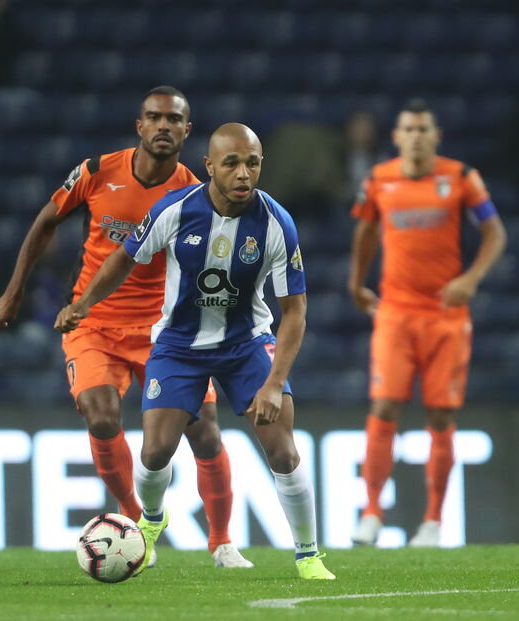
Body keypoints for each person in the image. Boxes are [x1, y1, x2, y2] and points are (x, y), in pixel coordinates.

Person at [54, 123, 335, 580]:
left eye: (253, 163)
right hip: (179, 346)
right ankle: (151, 518)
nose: (244, 174)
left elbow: (295, 314)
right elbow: (125, 257)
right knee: (155, 453)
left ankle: (309, 556)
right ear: (210, 167)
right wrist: (83, 304)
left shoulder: (277, 223)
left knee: (282, 451)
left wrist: (274, 383)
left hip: (246, 345)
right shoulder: (176, 209)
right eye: (232, 163)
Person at [0, 87, 251, 569]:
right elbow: (47, 221)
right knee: (102, 417)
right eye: (154, 117)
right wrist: (14, 290)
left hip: (164, 331)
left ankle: (221, 542)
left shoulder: (195, 192)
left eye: (174, 120)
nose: (164, 126)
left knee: (206, 433)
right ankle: (136, 524)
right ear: (140, 125)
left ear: (187, 131)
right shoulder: (95, 172)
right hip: (94, 323)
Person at [347, 99, 507, 548]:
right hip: (396, 313)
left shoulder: (460, 178)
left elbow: (495, 233)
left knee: (440, 415)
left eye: (423, 129)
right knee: (384, 408)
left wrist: (471, 279)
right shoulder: (379, 179)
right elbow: (364, 231)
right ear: (396, 137)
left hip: (446, 317)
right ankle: (372, 513)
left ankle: (433, 522)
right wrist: (357, 284)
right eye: (408, 129)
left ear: (436, 136)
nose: (416, 136)